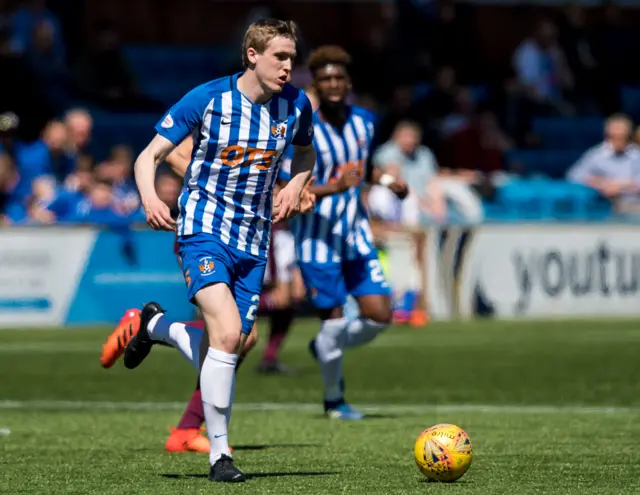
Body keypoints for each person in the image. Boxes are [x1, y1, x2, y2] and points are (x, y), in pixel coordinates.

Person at [120, 19, 316, 482]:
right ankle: (220, 456)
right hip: (204, 231)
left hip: (254, 240)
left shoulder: (296, 105)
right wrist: (149, 197)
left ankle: (154, 326)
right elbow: (147, 155)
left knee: (232, 342)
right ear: (252, 55)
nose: (289, 67)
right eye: (280, 57)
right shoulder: (209, 98)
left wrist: (296, 184)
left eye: (292, 58)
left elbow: (306, 154)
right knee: (229, 335)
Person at [99, 136, 315, 454]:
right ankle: (185, 419)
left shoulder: (274, 116)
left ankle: (154, 336)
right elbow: (175, 154)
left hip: (242, 234)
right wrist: (237, 195)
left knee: (241, 337)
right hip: (205, 230)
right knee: (233, 337)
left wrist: (289, 193)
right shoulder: (219, 102)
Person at [283, 45, 409, 420]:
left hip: (355, 234)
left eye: (339, 77)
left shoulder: (365, 121)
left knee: (379, 315)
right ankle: (334, 399)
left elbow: (363, 168)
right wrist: (333, 187)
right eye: (325, 79)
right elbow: (292, 186)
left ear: (348, 82)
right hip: (316, 239)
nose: (333, 84)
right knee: (335, 321)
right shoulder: (303, 129)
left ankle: (324, 345)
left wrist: (388, 181)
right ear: (316, 85)